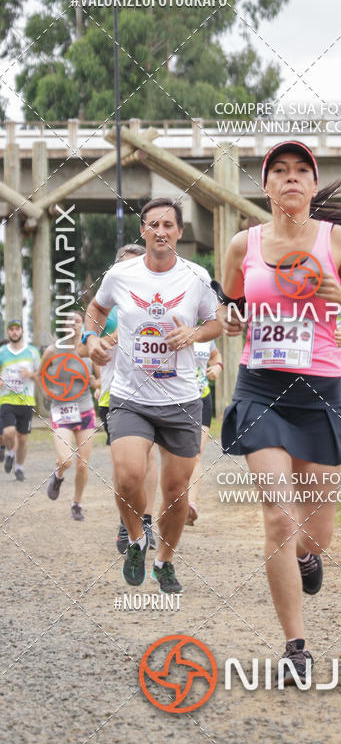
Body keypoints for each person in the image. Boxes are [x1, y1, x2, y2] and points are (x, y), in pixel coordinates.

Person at [220, 140, 341, 684]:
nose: (290, 178)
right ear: (266, 185)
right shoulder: (242, 244)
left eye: (300, 171)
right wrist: (232, 318)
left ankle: (309, 558)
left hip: (320, 392)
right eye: (279, 171)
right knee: (278, 517)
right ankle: (295, 647)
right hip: (260, 388)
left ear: (313, 185)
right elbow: (231, 303)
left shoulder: (336, 241)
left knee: (314, 534)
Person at [83, 199, 220, 594]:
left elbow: (216, 323)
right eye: (153, 224)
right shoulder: (120, 274)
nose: (161, 231)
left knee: (176, 493)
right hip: (131, 397)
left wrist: (193, 333)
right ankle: (136, 540)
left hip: (181, 400)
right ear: (143, 231)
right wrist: (91, 339)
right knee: (128, 476)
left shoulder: (196, 276)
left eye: (168, 225)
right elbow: (95, 309)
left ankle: (164, 561)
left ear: (179, 232)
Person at [92, 243, 158, 553]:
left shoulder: (157, 302)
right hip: (114, 393)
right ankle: (126, 521)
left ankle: (146, 521)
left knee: (149, 457)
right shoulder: (106, 308)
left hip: (153, 390)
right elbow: (82, 346)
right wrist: (109, 340)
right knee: (126, 466)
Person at [43, 312, 97, 520]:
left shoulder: (90, 351)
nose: (73, 325)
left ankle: (77, 504)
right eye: (69, 322)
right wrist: (47, 390)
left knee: (83, 465)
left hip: (85, 411)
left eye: (77, 321)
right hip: (62, 410)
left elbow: (100, 380)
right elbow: (41, 374)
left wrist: (96, 384)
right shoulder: (54, 349)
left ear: (83, 325)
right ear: (64, 326)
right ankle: (58, 475)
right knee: (66, 460)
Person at [186, 339, 223, 526]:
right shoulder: (170, 332)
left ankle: (190, 505)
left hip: (202, 399)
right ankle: (176, 501)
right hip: (176, 401)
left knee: (196, 454)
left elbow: (216, 356)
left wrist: (217, 367)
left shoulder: (206, 336)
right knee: (178, 455)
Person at [0, 319, 40, 481]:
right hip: (7, 399)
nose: (14, 332)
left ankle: (19, 468)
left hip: (26, 400)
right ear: (8, 332)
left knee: (22, 439)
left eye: (17, 329)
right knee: (8, 432)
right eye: (11, 330)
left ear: (22, 331)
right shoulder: (2, 352)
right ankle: (10, 452)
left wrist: (30, 374)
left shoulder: (32, 352)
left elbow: (40, 374)